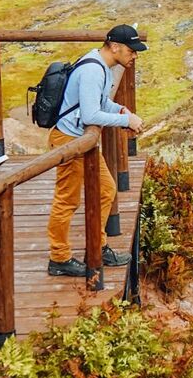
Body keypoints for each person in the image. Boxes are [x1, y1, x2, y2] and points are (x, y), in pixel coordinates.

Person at [46, 24, 147, 278]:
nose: (134, 56)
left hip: (83, 141)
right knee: (67, 200)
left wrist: (121, 110)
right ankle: (59, 258)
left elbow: (100, 103)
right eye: (131, 50)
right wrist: (126, 122)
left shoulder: (101, 66)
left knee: (105, 190)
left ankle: (97, 245)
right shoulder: (93, 70)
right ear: (115, 47)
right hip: (70, 141)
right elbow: (91, 114)